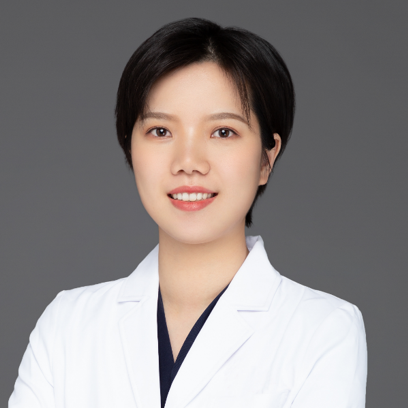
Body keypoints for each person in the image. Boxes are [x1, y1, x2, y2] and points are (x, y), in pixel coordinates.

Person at [9, 17, 367, 408]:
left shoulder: (324, 331)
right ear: (130, 149)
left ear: (266, 159)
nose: (188, 162)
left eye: (223, 132)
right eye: (161, 131)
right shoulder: (67, 326)